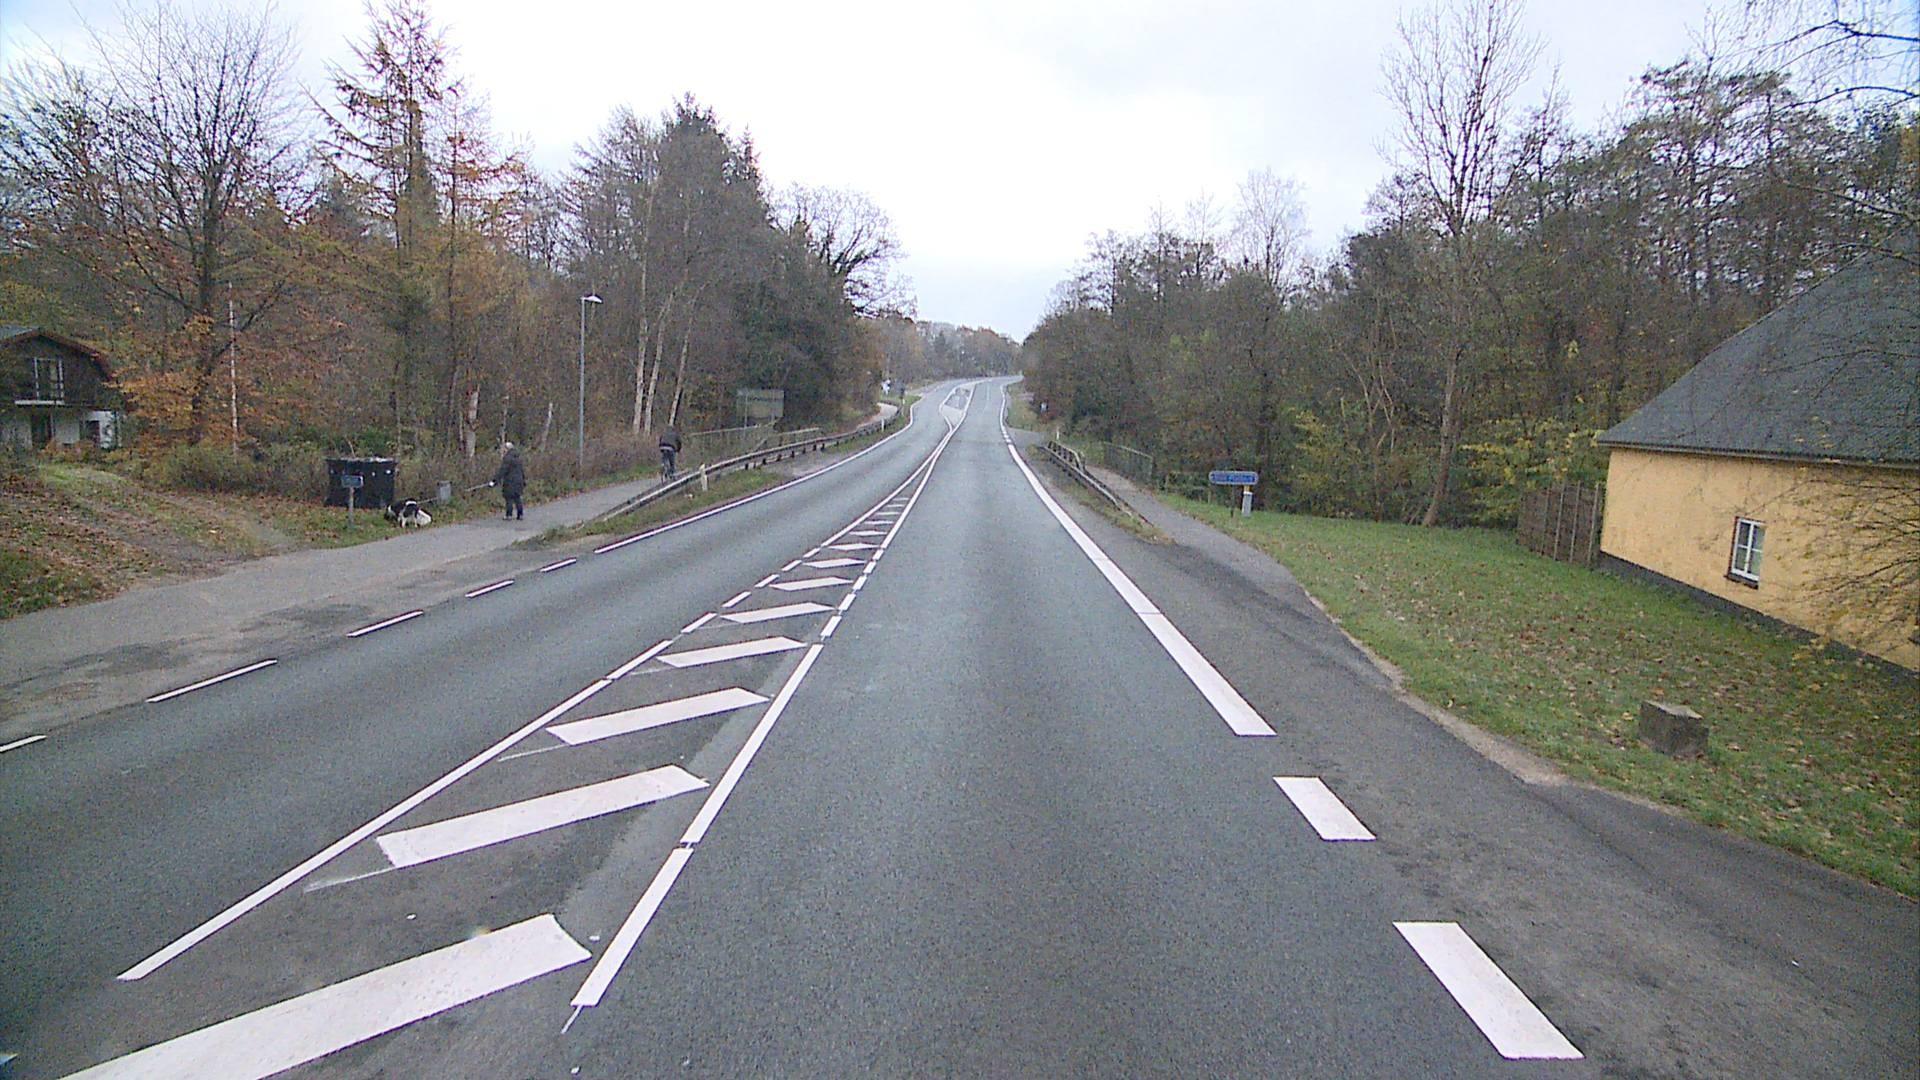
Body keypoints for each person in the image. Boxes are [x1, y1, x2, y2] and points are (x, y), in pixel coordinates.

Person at [492, 441, 526, 520]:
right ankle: (520, 514)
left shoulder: (507, 458)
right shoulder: (518, 458)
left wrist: (495, 481)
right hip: (519, 481)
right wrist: (523, 480)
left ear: (506, 449)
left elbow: (502, 471)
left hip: (510, 481)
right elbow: (522, 471)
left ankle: (509, 515)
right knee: (517, 497)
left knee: (509, 498)